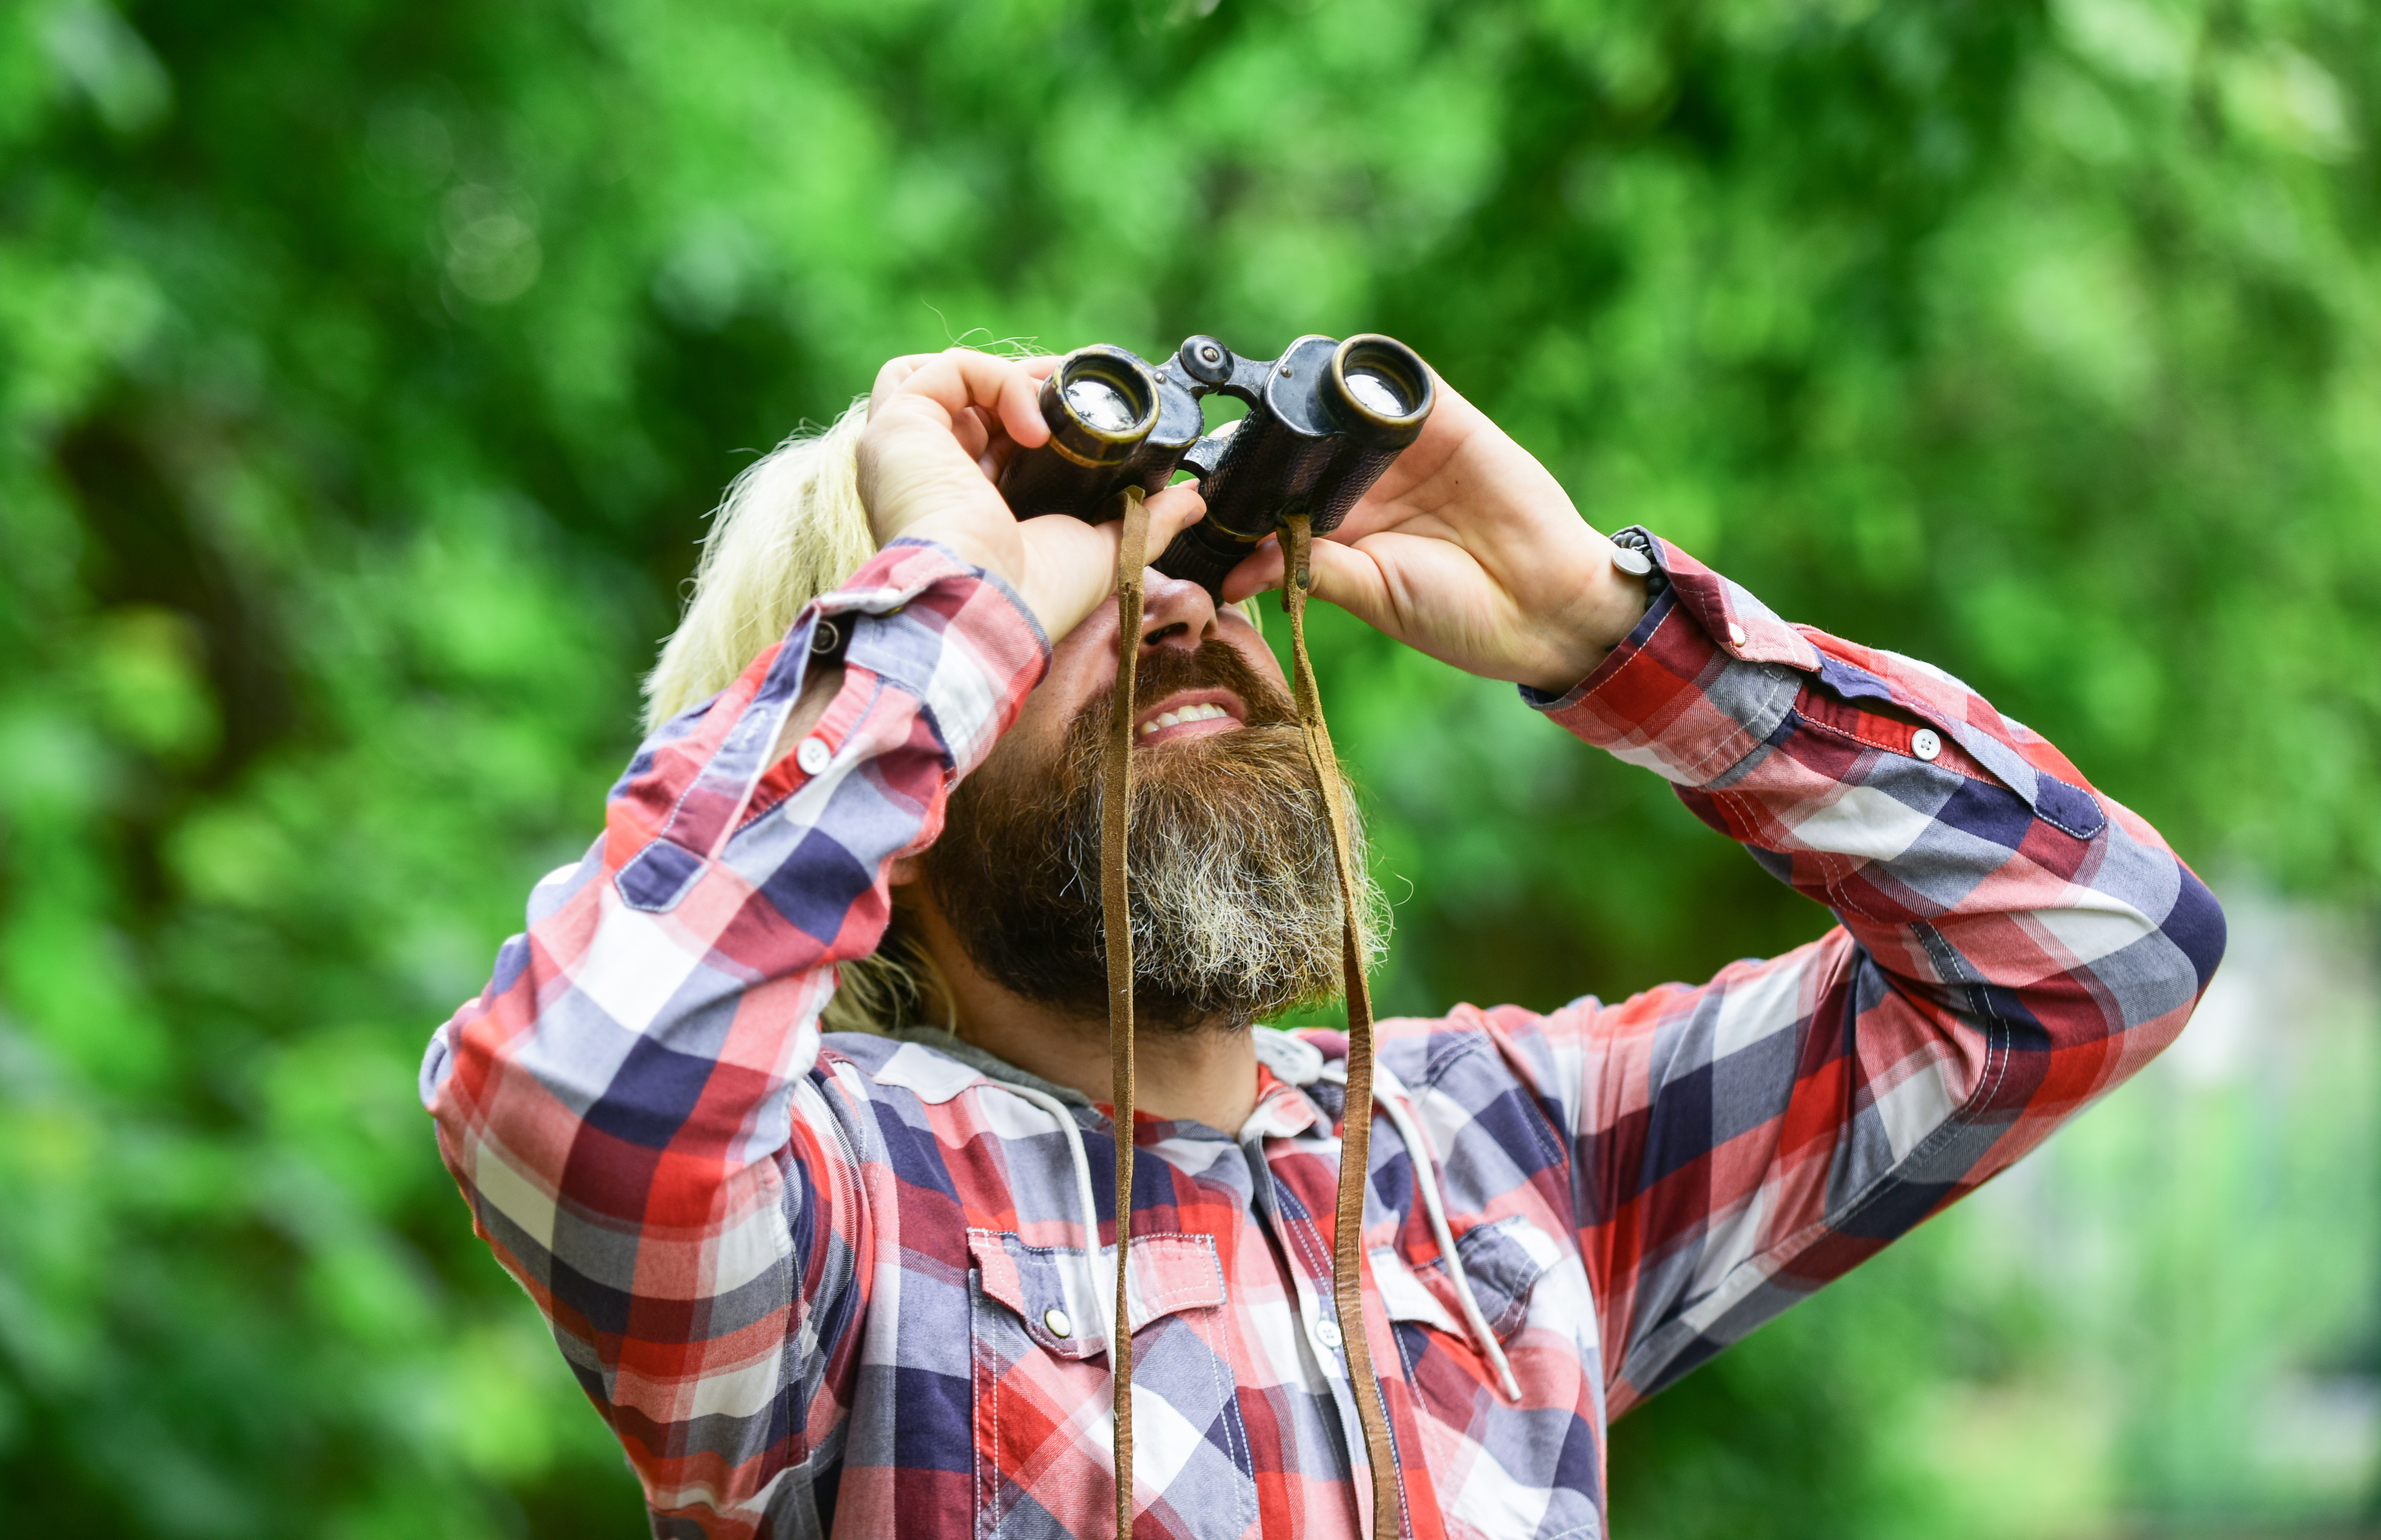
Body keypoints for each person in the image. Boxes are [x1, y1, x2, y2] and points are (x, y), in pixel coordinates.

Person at [420, 347, 2225, 1540]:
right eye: (1073, 574)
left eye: (1198, 553)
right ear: (901, 767)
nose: (1177, 603)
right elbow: (580, 1090)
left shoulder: (1500, 1163)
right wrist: (944, 610)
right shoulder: (838, 1221)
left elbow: (2097, 955)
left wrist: (1603, 627)